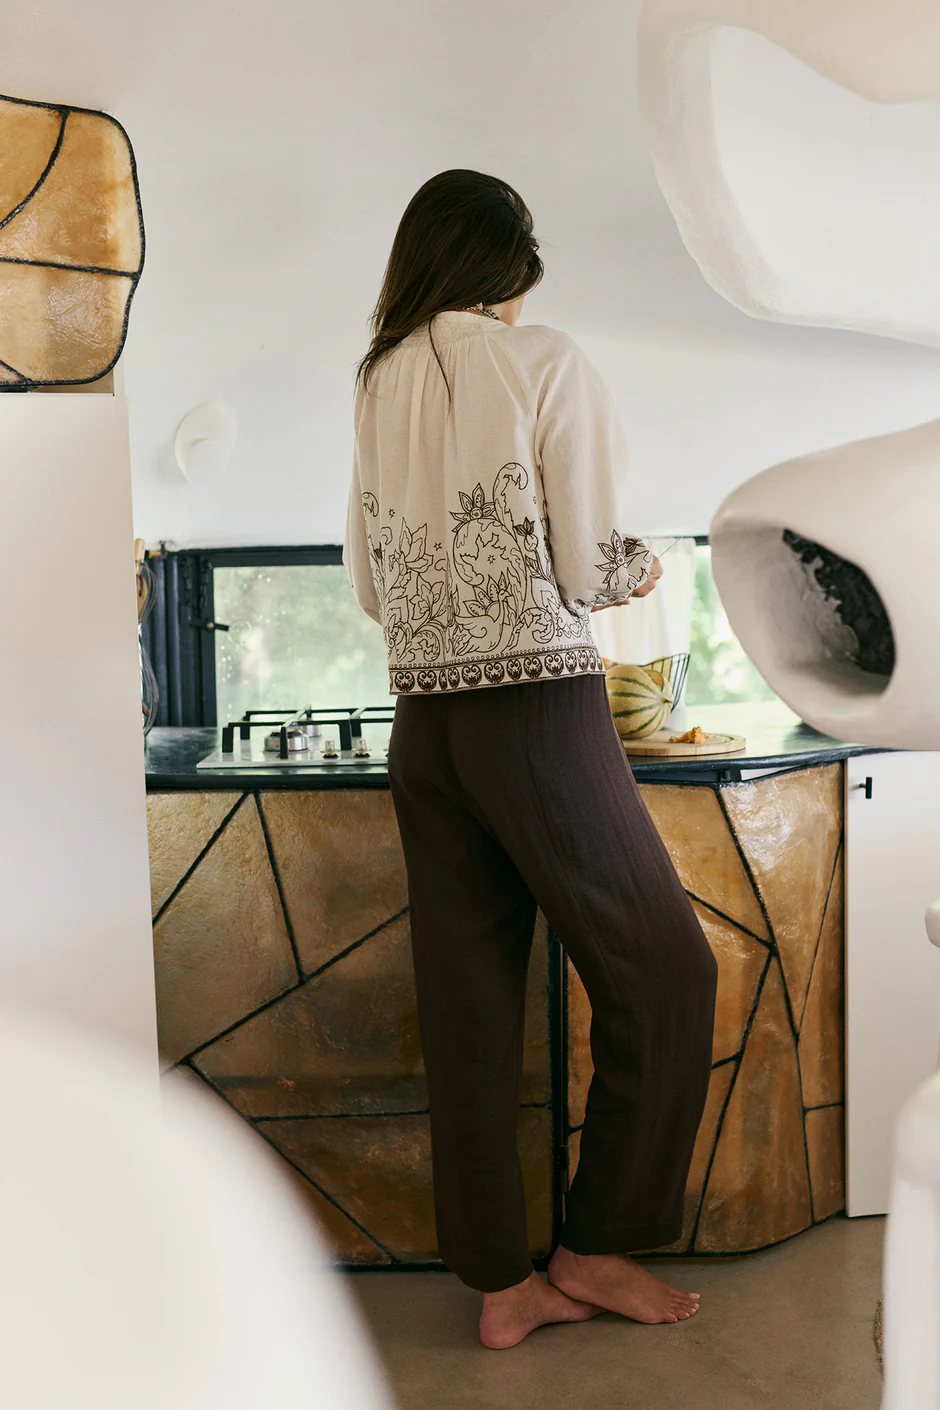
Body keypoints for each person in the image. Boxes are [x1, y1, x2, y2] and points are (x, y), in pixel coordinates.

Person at [343, 169, 718, 1350]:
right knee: (668, 976)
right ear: (507, 272)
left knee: (468, 1008)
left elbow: (368, 584)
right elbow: (592, 564)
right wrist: (647, 567)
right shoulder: (542, 359)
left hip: (425, 724)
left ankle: (502, 1286)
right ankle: (596, 1247)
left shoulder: (378, 378)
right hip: (537, 713)